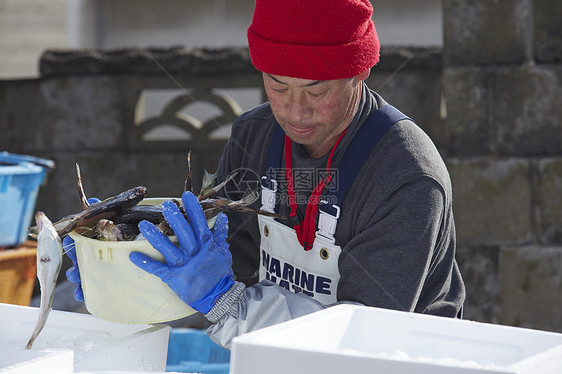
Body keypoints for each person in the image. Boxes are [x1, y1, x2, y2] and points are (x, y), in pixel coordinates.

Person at [66, 0, 465, 349]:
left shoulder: (405, 177)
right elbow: (218, 273)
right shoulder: (252, 138)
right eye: (278, 85)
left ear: (358, 73)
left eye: (317, 89)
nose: (295, 112)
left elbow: (356, 345)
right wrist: (119, 268)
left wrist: (223, 300)